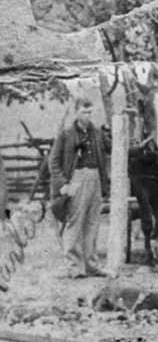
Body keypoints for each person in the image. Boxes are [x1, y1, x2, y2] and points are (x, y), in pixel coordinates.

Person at [47, 92, 109, 278]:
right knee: (75, 221)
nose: (87, 116)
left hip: (95, 177)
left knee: (93, 222)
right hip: (76, 179)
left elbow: (113, 146)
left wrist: (139, 147)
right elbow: (54, 161)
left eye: (90, 112)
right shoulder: (66, 134)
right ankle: (74, 267)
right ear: (76, 113)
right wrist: (63, 184)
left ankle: (91, 265)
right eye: (84, 112)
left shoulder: (97, 133)